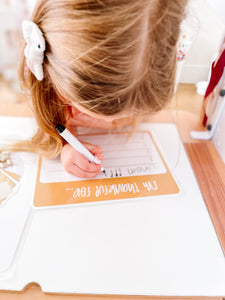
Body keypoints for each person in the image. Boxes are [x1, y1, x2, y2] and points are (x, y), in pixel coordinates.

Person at [18, 0, 187, 178]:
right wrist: (65, 146)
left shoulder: (148, 71)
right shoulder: (51, 78)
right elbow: (55, 123)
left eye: (131, 111)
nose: (109, 123)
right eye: (94, 111)